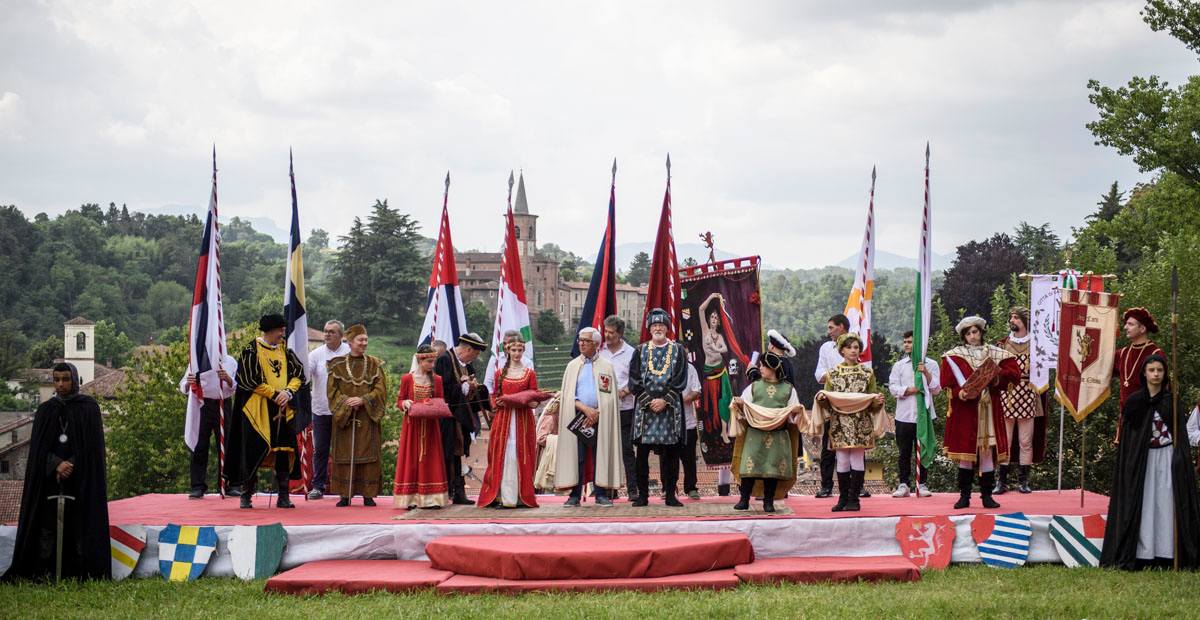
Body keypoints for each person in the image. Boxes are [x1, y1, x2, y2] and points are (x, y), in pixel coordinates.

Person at [4, 363, 110, 581]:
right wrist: (56, 465)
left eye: (65, 379)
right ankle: (46, 572)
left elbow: (92, 448)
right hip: (50, 480)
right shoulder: (46, 410)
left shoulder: (89, 408)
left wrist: (71, 463)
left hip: (81, 481)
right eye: (57, 379)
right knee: (47, 528)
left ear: (74, 380)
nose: (60, 384)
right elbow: (38, 450)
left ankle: (81, 572)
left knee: (79, 527)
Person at [1101, 355, 1200, 570]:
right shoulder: (1134, 403)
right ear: (1144, 373)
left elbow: (1181, 437)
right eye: (1151, 370)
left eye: (1159, 370)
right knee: (1144, 506)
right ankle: (1142, 554)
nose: (1155, 374)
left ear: (1164, 374)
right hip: (1141, 461)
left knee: (1165, 505)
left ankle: (1166, 554)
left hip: (1166, 459)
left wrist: (1180, 460)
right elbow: (1130, 440)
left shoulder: (1171, 402)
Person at [224, 314, 305, 509]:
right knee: (253, 450)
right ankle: (246, 495)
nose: (283, 334)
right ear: (270, 330)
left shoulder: (285, 350)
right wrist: (274, 394)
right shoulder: (251, 350)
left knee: (284, 451)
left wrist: (287, 392)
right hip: (257, 410)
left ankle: (283, 496)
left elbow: (298, 374)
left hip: (283, 407)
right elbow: (250, 380)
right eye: (280, 330)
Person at [940, 316, 1020, 510]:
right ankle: (964, 496)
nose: (972, 336)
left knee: (986, 452)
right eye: (968, 333)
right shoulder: (954, 355)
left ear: (981, 332)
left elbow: (1013, 376)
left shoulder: (996, 353)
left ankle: (987, 496)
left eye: (975, 332)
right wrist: (962, 393)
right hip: (966, 412)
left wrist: (995, 378)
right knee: (966, 455)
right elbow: (947, 383)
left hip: (989, 409)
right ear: (963, 337)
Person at [814, 333, 887, 512]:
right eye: (850, 347)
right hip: (839, 421)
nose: (853, 350)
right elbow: (828, 402)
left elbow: (872, 401)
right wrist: (822, 399)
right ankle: (843, 498)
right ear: (842, 351)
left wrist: (878, 401)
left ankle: (854, 499)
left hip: (861, 421)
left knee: (857, 459)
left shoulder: (867, 373)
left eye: (856, 347)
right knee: (843, 460)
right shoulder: (832, 374)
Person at [556, 327, 623, 506]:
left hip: (600, 417)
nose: (581, 343)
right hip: (577, 416)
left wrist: (598, 412)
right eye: (580, 340)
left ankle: (600, 493)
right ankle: (575, 494)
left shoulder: (606, 366)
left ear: (596, 343)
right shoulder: (572, 366)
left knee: (599, 455)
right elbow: (568, 394)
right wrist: (584, 408)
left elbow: (610, 396)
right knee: (577, 456)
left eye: (586, 341)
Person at [629, 308, 689, 507]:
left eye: (661, 325)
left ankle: (670, 495)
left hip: (670, 408)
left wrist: (665, 400)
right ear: (649, 328)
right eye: (654, 325)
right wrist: (649, 400)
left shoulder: (678, 350)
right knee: (642, 454)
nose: (658, 328)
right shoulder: (640, 351)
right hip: (645, 410)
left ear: (667, 328)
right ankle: (643, 496)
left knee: (671, 453)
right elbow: (634, 380)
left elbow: (681, 379)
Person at [730, 353, 802, 512]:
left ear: (773, 368)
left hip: (778, 434)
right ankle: (744, 499)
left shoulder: (788, 389)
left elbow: (793, 414)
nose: (760, 368)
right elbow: (744, 404)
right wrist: (739, 404)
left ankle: (768, 501)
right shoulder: (754, 386)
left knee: (772, 470)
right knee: (749, 469)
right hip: (755, 433)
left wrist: (794, 412)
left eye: (763, 365)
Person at [478, 331, 542, 508]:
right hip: (504, 418)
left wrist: (533, 402)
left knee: (521, 452)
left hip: (522, 418)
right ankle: (502, 495)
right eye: (514, 350)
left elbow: (534, 394)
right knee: (503, 453)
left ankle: (521, 495)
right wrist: (495, 404)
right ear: (508, 350)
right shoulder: (500, 373)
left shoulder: (529, 373)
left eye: (520, 349)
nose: (517, 353)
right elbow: (494, 394)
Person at [327, 324, 387, 507]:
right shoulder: (336, 365)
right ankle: (345, 495)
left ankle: (368, 494)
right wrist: (346, 403)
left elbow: (381, 390)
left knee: (369, 454)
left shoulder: (375, 364)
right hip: (344, 420)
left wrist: (364, 400)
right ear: (350, 341)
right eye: (361, 340)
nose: (364, 343)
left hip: (367, 418)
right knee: (345, 452)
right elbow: (331, 392)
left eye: (366, 340)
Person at [994, 307, 1048, 495]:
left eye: (1016, 317)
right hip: (1007, 394)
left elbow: (1043, 370)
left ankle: (1024, 481)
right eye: (1011, 317)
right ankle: (1001, 481)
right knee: (1005, 440)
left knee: (1025, 441)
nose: (1013, 320)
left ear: (1025, 320)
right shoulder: (1003, 344)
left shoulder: (1037, 344)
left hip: (1028, 392)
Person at [434, 332, 489, 505]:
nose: (475, 358)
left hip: (460, 418)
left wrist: (474, 388)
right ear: (467, 349)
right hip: (447, 417)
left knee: (457, 453)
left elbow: (470, 392)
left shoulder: (468, 365)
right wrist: (463, 386)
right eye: (475, 353)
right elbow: (443, 389)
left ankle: (457, 491)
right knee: (449, 453)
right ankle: (448, 490)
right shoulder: (444, 360)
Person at [393, 344, 449, 509]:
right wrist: (405, 403)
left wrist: (431, 405)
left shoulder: (437, 380)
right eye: (429, 362)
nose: (432, 365)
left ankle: (432, 499)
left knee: (430, 459)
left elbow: (440, 400)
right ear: (419, 360)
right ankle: (410, 499)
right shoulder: (407, 379)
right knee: (411, 459)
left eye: (433, 362)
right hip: (412, 427)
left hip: (431, 427)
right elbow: (399, 400)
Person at [178, 353, 238, 498]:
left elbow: (236, 386)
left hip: (223, 403)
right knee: (199, 444)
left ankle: (227, 484)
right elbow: (183, 385)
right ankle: (197, 486)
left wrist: (228, 379)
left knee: (226, 445)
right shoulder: (197, 361)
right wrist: (189, 382)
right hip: (202, 403)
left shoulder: (230, 361)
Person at [888, 330, 940, 498]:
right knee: (904, 451)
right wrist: (909, 390)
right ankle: (904, 484)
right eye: (905, 342)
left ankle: (922, 483)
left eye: (910, 342)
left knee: (923, 447)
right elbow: (893, 388)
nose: (907, 345)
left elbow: (936, 389)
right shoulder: (900, 365)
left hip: (923, 414)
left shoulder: (931, 364)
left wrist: (925, 372)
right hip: (904, 415)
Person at [306, 320, 350, 500]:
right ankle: (318, 486)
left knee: (343, 450)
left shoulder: (349, 353)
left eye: (332, 332)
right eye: (325, 331)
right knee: (321, 450)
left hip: (344, 410)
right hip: (320, 409)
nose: (327, 335)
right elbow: (305, 376)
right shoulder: (316, 354)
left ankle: (344, 486)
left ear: (341, 335)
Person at [600, 315, 639, 502]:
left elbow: (636, 380)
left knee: (626, 449)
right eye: (606, 331)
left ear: (620, 334)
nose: (607, 335)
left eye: (611, 332)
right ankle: (607, 489)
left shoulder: (631, 353)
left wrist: (623, 392)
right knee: (606, 449)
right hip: (605, 409)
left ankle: (633, 489)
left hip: (625, 408)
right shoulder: (600, 352)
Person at [1113, 308, 1166, 444]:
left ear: (1142, 329)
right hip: (1127, 420)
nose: (1125, 327)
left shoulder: (1155, 353)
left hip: (1148, 419)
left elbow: (1163, 390)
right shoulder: (1122, 353)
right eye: (1126, 324)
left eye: (1130, 324)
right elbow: (1099, 369)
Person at [812, 313, 849, 498]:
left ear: (842, 327)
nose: (829, 331)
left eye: (831, 327)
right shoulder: (826, 348)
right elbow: (819, 373)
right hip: (832, 401)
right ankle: (826, 485)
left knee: (854, 444)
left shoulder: (854, 345)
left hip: (852, 402)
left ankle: (856, 486)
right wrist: (834, 374)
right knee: (829, 444)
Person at [679, 362, 703, 500]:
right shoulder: (662, 366)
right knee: (667, 458)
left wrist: (681, 400)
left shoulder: (690, 368)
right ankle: (668, 489)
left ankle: (691, 487)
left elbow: (696, 390)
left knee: (689, 458)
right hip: (667, 424)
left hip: (688, 422)